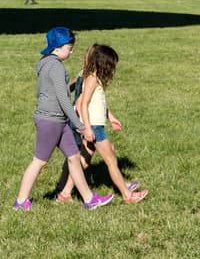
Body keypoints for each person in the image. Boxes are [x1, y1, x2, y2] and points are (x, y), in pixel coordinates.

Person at [13, 28, 114, 211]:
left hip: (59, 121)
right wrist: (80, 126)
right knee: (40, 161)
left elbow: (49, 91)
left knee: (74, 157)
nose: (71, 51)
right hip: (51, 121)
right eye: (69, 47)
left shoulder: (45, 63)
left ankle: (89, 199)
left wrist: (74, 85)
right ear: (58, 48)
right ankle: (21, 201)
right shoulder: (57, 67)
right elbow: (63, 100)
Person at [57, 44, 147, 204]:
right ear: (103, 63)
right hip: (94, 128)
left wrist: (111, 117)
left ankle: (65, 194)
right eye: (111, 65)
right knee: (111, 160)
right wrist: (88, 128)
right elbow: (82, 104)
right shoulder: (91, 79)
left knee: (84, 159)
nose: (112, 68)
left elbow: (98, 103)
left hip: (94, 125)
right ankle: (127, 195)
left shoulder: (94, 77)